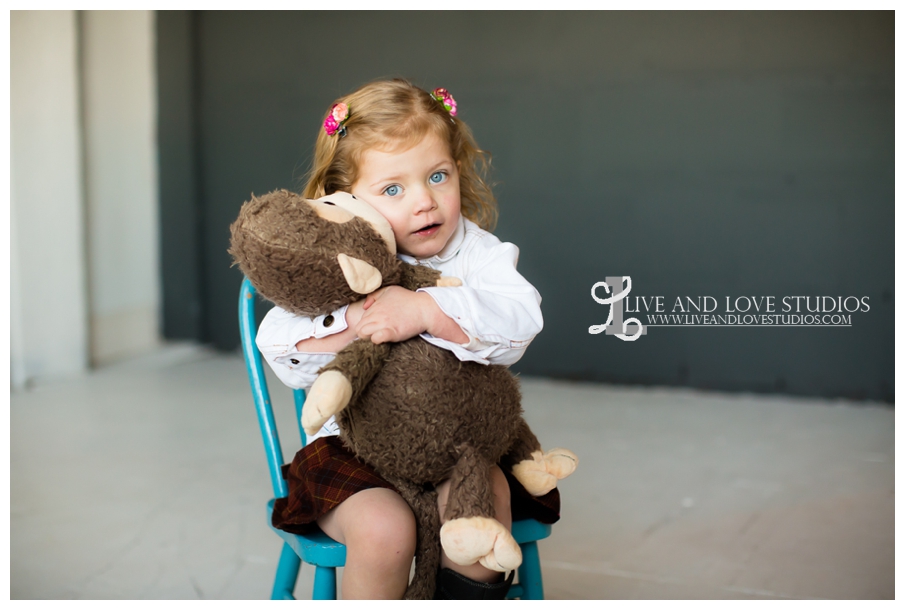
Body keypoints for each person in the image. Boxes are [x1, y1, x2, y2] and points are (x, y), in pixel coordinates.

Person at [255, 78, 557, 599]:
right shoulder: (335, 263)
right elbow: (278, 346)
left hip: (454, 446)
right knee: (384, 531)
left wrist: (426, 310)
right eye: (393, 189)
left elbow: (520, 321)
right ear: (344, 197)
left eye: (438, 176)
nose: (425, 202)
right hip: (349, 447)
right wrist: (360, 321)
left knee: (484, 501)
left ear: (458, 171)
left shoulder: (476, 252)